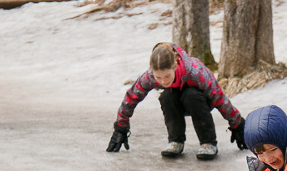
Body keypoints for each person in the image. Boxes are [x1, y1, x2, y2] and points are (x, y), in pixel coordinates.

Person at [106, 42, 247, 160]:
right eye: (158, 77)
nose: (163, 81)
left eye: (167, 76)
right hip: (176, 101)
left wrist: (237, 124)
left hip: (201, 102)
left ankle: (208, 143)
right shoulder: (149, 76)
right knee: (167, 96)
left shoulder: (194, 71)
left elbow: (218, 97)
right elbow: (131, 97)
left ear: (175, 66)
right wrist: (121, 127)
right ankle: (176, 141)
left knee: (191, 95)